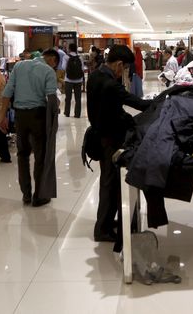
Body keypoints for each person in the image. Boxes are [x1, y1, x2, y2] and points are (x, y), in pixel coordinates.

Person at [87, 45, 151, 242]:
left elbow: (112, 108)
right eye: (124, 68)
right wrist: (161, 101)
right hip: (109, 139)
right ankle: (102, 229)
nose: (124, 72)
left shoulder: (95, 76)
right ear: (119, 64)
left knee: (110, 181)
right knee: (109, 182)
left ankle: (107, 222)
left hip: (100, 134)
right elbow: (137, 103)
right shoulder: (110, 84)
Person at [0, 49, 58, 207]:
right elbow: (51, 98)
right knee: (40, 156)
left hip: (20, 117)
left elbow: (7, 91)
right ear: (52, 60)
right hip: (38, 116)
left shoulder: (19, 67)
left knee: (22, 154)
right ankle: (38, 196)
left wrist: (2, 116)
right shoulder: (48, 71)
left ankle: (26, 194)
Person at [64, 43, 84, 118]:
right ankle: (77, 114)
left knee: (68, 97)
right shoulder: (80, 57)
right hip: (78, 80)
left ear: (69, 48)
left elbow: (63, 67)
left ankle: (67, 113)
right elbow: (82, 68)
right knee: (78, 98)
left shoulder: (66, 57)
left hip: (68, 80)